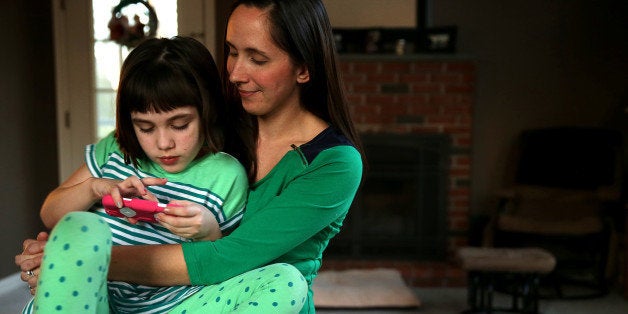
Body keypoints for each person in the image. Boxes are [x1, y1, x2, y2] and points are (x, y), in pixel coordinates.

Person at [16, 0, 363, 313]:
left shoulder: (333, 162)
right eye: (231, 52)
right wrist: (69, 249)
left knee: (286, 281)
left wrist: (72, 261)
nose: (235, 73)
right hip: (126, 296)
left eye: (257, 58)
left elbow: (224, 257)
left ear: (304, 68)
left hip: (240, 301)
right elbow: (74, 200)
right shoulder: (205, 122)